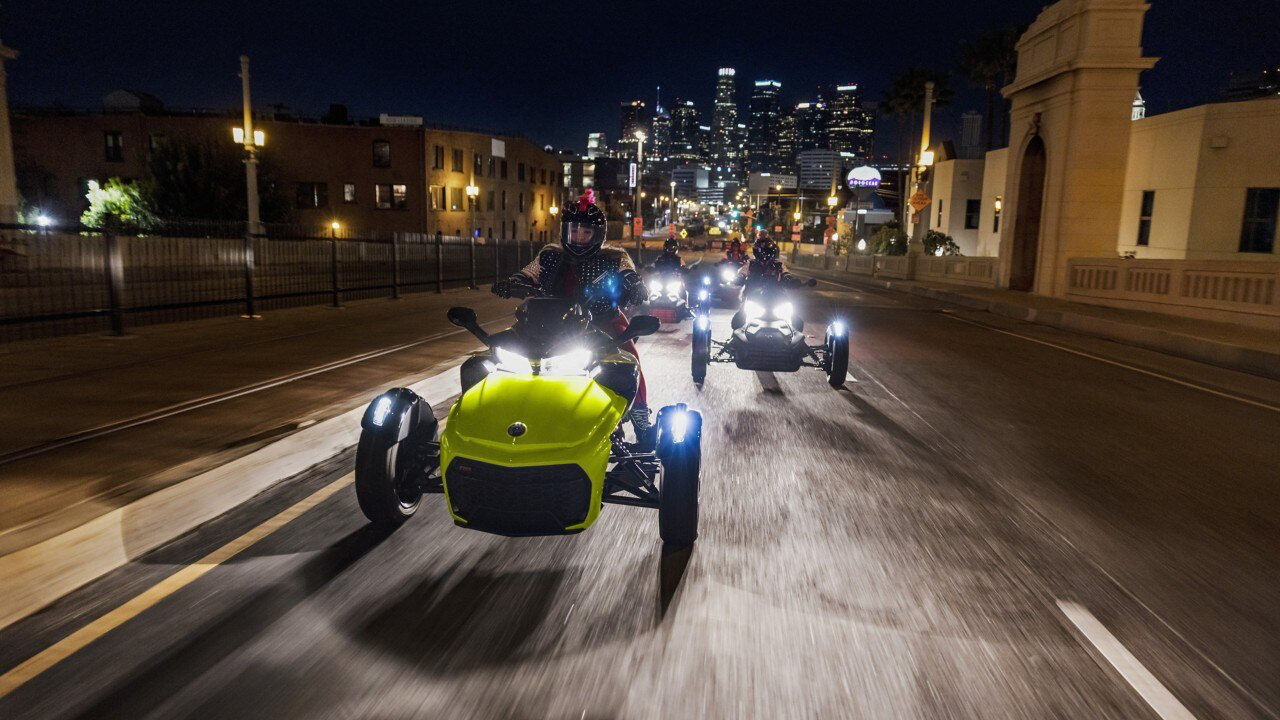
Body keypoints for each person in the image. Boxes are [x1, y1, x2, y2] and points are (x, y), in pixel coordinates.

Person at [491, 190, 656, 450]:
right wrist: (513, 282)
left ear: (597, 235)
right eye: (574, 231)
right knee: (506, 353)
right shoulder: (549, 253)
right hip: (551, 324)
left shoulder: (615, 256)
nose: (578, 237)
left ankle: (641, 418)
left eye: (585, 232)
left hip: (602, 322)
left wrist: (635, 285)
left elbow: (629, 273)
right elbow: (529, 273)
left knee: (630, 359)